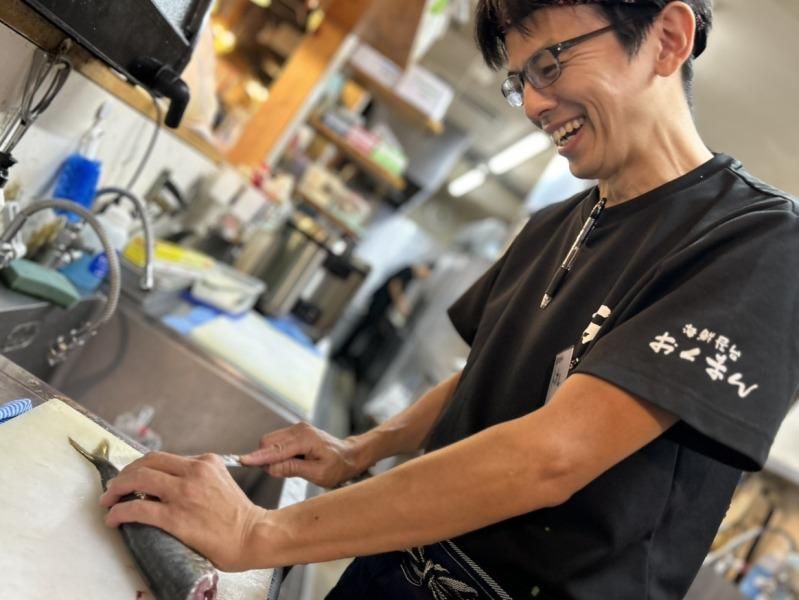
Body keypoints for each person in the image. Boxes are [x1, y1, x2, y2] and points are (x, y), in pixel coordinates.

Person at [98, 1, 799, 598]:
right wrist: (360, 448)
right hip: (398, 565)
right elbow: (488, 374)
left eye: (549, 64)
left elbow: (551, 455)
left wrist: (260, 531)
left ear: (667, 38)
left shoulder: (757, 241)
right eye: (519, 82)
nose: (533, 104)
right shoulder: (554, 224)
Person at [333, 263, 434, 382]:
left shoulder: (411, 276)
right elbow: (394, 285)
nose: (424, 277)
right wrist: (401, 303)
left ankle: (347, 356)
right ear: (424, 268)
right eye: (426, 274)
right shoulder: (409, 270)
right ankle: (341, 354)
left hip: (381, 306)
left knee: (364, 331)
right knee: (361, 329)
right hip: (379, 304)